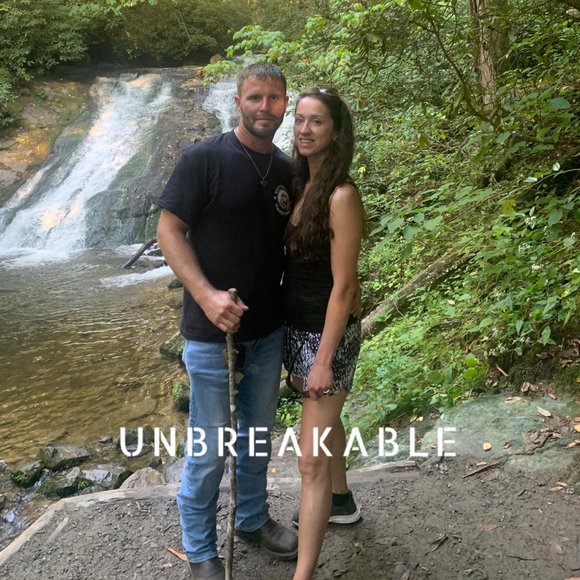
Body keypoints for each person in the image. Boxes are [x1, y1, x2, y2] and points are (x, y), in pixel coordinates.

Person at [156, 63, 298, 580]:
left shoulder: (287, 170)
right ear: (238, 102)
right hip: (209, 333)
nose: (265, 107)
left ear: (285, 104)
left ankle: (252, 521)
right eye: (255, 97)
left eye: (274, 98)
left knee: (257, 436)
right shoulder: (204, 159)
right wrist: (207, 295)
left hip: (267, 332)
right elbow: (169, 230)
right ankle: (200, 550)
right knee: (209, 446)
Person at [282, 87, 364, 580]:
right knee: (326, 421)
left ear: (335, 132)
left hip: (326, 338)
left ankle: (303, 574)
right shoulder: (301, 184)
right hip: (297, 331)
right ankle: (342, 501)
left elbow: (344, 287)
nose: (305, 129)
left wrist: (323, 360)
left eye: (316, 121)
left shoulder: (341, 196)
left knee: (308, 462)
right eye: (300, 120)